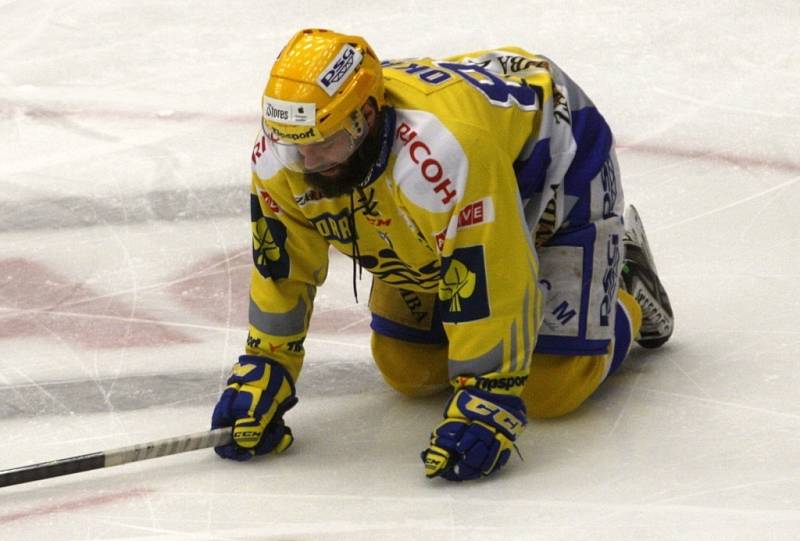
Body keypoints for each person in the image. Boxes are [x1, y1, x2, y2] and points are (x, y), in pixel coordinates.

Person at [211, 28, 674, 481]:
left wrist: (490, 394)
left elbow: (493, 268)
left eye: (322, 144)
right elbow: (281, 261)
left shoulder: (443, 153)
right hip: (436, 200)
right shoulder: (288, 149)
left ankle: (626, 282)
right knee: (407, 370)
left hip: (554, 166)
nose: (305, 165)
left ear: (367, 115)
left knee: (551, 388)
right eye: (293, 146)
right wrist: (267, 361)